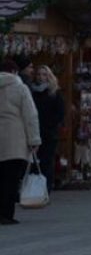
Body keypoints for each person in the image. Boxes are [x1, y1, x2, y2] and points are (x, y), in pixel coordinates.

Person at [0, 59, 40, 225]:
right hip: (15, 141)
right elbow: (30, 116)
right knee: (11, 179)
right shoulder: (20, 88)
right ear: (14, 72)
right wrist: (34, 140)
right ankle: (6, 214)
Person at [28, 65, 65, 191]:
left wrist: (50, 125)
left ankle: (46, 188)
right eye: (39, 74)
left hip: (49, 133)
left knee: (47, 162)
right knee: (33, 162)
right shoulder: (32, 92)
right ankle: (33, 188)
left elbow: (60, 113)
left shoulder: (54, 93)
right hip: (34, 131)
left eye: (44, 75)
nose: (41, 77)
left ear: (49, 77)